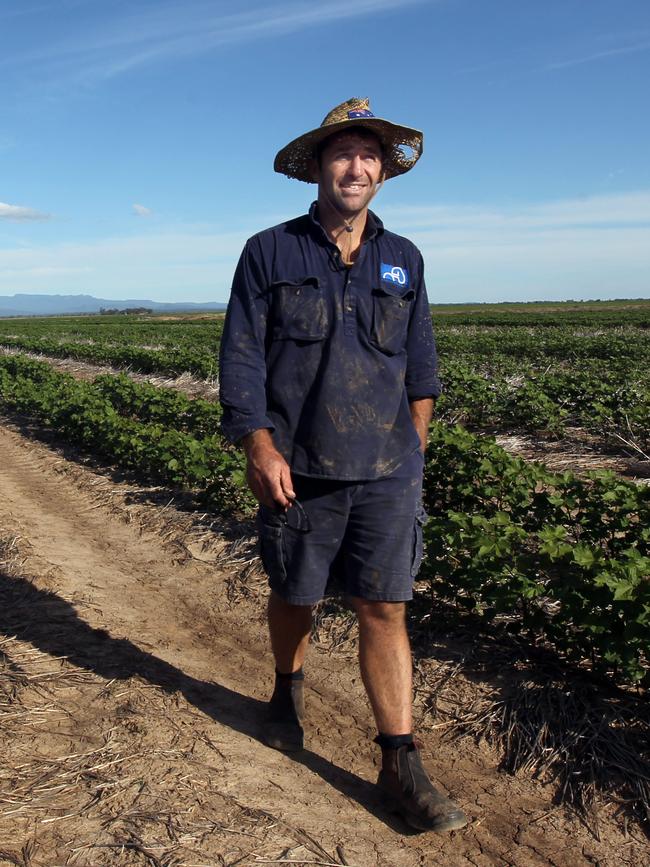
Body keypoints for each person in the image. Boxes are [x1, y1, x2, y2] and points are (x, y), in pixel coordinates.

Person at [219, 97, 467, 833]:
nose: (355, 167)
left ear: (384, 172)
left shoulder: (405, 259)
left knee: (383, 605)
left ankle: (400, 759)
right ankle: (287, 688)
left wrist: (412, 449)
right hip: (301, 464)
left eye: (369, 155)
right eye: (342, 154)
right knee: (296, 593)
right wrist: (258, 444)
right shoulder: (270, 251)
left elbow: (422, 367)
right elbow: (239, 355)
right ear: (319, 167)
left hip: (387, 466)